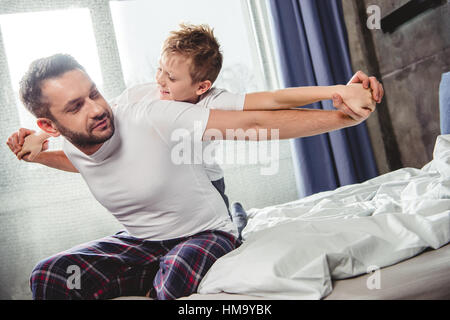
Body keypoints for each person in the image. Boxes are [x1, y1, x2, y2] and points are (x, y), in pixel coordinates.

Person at [6, 53, 381, 300]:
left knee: (172, 281)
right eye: (75, 106)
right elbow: (84, 161)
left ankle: (178, 263)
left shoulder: (151, 115)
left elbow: (252, 119)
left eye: (94, 94)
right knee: (50, 275)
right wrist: (38, 157)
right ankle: (149, 272)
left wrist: (342, 115)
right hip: (141, 241)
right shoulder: (70, 143)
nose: (96, 109)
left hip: (205, 231)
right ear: (48, 125)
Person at [13, 24, 383, 241]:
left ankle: (233, 218)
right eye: (160, 70)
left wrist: (336, 95)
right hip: (166, 208)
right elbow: (86, 146)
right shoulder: (144, 98)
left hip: (207, 187)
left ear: (201, 87)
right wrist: (40, 144)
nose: (160, 81)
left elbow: (269, 103)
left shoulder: (210, 102)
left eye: (171, 78)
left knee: (219, 208)